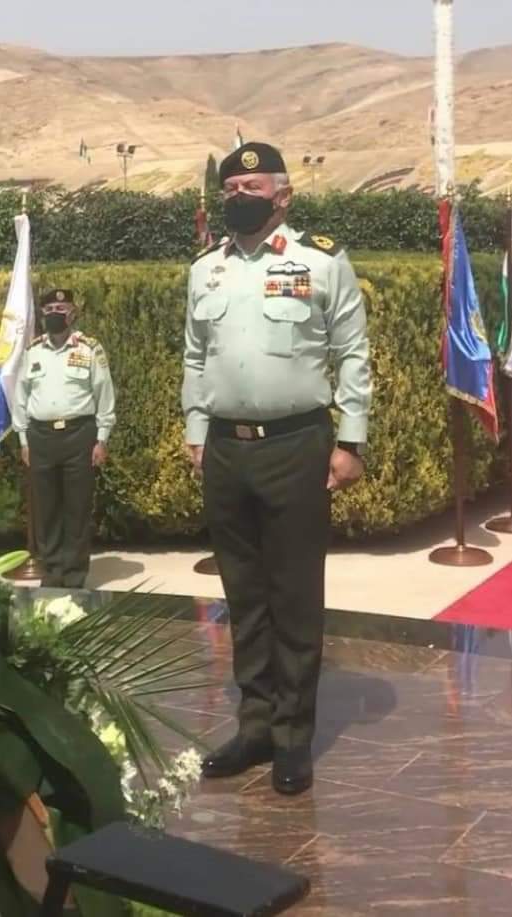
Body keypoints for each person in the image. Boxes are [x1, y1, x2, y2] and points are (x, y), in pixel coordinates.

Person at [182, 142, 371, 795]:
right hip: (225, 449)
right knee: (244, 596)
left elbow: (352, 354)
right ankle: (255, 725)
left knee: (293, 596)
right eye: (231, 188)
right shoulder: (206, 268)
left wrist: (350, 441)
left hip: (296, 446)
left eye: (252, 187)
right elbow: (194, 356)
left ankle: (292, 737)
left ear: (283, 196)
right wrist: (195, 431)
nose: (239, 197)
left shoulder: (320, 261)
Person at [13, 289, 116, 588]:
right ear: (42, 314)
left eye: (61, 308)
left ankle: (74, 574)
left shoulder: (89, 349)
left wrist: (102, 438)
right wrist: (23, 441)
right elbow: (20, 398)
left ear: (72, 312)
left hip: (79, 435)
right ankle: (52, 571)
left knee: (77, 507)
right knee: (46, 508)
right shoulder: (32, 351)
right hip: (41, 437)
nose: (55, 314)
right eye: (49, 309)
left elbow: (104, 394)